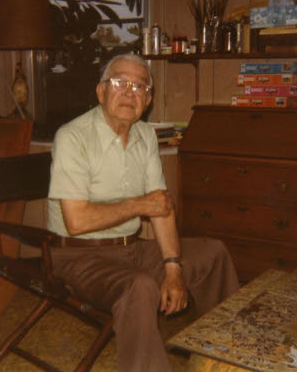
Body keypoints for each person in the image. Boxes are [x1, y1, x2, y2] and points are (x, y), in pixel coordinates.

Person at [47, 53, 239, 372]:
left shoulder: (146, 135)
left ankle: (227, 357)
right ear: (100, 91)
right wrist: (139, 205)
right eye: (120, 82)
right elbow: (76, 222)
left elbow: (160, 209)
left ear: (147, 100)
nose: (129, 92)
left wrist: (173, 270)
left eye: (139, 87)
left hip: (131, 249)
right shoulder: (73, 136)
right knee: (141, 286)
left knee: (213, 253)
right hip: (78, 256)